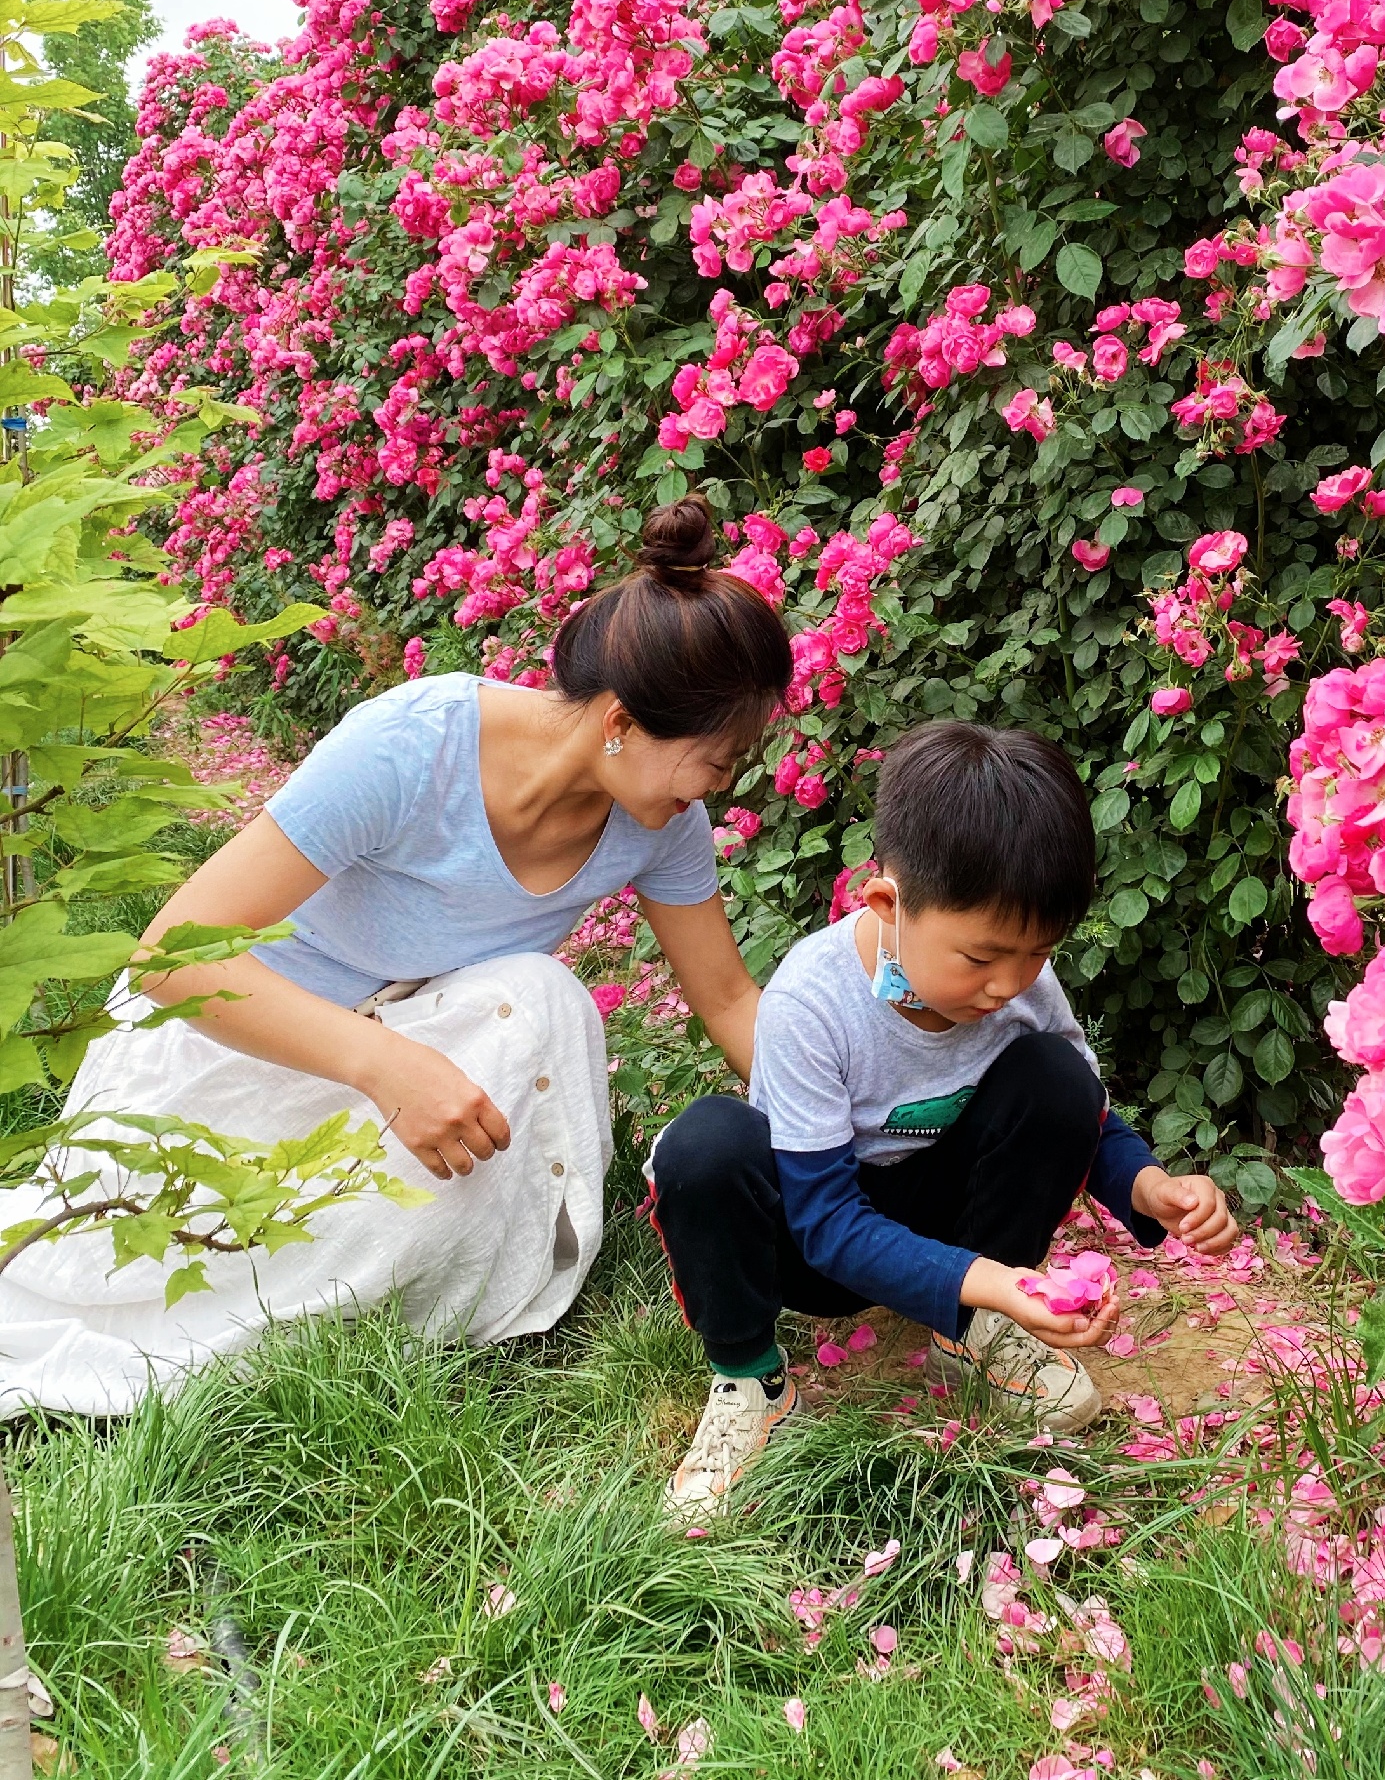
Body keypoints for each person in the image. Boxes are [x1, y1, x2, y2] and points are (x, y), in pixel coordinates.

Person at [0, 495, 793, 1415]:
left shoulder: (661, 824)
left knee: (541, 1001)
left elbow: (731, 1000)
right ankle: (272, 1318)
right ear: (621, 722)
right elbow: (174, 956)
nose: (721, 791)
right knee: (122, 1277)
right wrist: (381, 1064)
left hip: (403, 1057)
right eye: (717, 761)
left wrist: (846, 1122)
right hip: (244, 1042)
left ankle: (361, 1297)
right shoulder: (413, 747)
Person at [649, 721, 1238, 1515]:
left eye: (1034, 953)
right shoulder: (811, 1003)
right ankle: (751, 1377)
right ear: (889, 903)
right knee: (705, 1147)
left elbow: (1086, 1117)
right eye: (982, 957)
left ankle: (970, 1333)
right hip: (818, 1240)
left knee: (1057, 1078)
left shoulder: (1022, 981)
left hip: (943, 1217)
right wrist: (997, 1282)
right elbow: (826, 1222)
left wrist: (1149, 1185)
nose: (1008, 983)